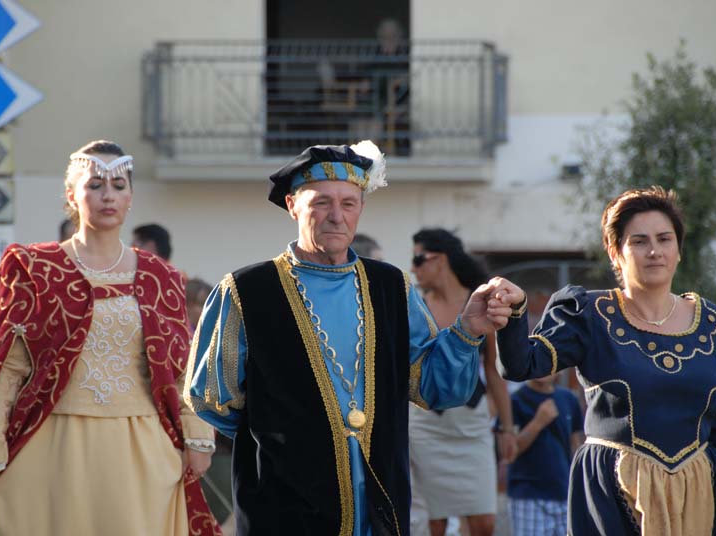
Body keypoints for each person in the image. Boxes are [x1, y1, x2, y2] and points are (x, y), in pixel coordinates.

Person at [184, 141, 503, 535]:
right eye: (320, 202)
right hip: (283, 503)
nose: (336, 216)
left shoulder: (392, 286)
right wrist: (286, 437)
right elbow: (212, 397)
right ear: (292, 205)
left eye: (348, 203)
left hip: (378, 498)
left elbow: (433, 388)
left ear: (361, 210)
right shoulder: (245, 289)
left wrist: (467, 331)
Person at [0, 140, 221, 535]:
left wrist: (197, 434)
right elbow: (8, 365)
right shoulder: (36, 268)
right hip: (50, 441)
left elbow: (181, 367)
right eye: (95, 185)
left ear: (130, 198)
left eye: (119, 185)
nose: (108, 195)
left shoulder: (161, 276)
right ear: (71, 194)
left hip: (138, 446)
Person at [484, 186, 716, 535]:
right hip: (614, 492)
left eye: (664, 239)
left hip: (699, 495)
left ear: (678, 249)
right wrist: (514, 312)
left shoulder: (712, 324)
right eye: (639, 241)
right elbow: (521, 365)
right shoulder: (590, 315)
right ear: (614, 250)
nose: (654, 251)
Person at [408, 228, 516, 536]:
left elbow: (494, 371)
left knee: (484, 521)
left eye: (419, 259)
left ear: (440, 260)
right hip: (424, 424)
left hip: (472, 423)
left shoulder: (480, 302)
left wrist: (507, 428)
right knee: (433, 523)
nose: (414, 268)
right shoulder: (416, 306)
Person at [507, 372, 583, 536]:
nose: (543, 368)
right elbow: (508, 453)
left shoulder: (569, 399)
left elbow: (577, 446)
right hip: (529, 495)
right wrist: (538, 422)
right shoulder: (514, 400)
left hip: (564, 494)